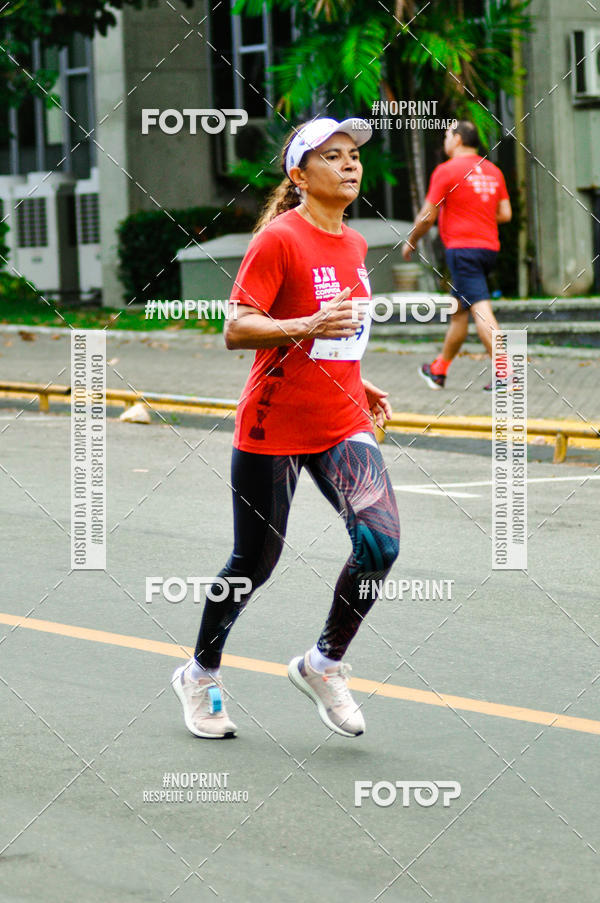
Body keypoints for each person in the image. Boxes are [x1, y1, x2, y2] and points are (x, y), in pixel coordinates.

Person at [172, 118, 400, 740]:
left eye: (354, 156)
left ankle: (322, 665)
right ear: (299, 175)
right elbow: (237, 329)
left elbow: (339, 332)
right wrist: (306, 325)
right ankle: (200, 674)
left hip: (340, 419)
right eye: (333, 156)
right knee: (255, 561)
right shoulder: (279, 239)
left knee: (380, 544)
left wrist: (358, 375)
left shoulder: (354, 245)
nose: (350, 165)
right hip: (273, 425)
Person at [402, 120, 512, 391]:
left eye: (447, 135)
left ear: (459, 139)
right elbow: (505, 214)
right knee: (459, 313)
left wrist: (411, 241)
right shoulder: (493, 171)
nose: (444, 140)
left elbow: (427, 217)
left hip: (463, 250)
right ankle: (439, 370)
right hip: (488, 249)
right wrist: (479, 217)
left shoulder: (446, 171)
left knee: (480, 309)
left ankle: (507, 373)